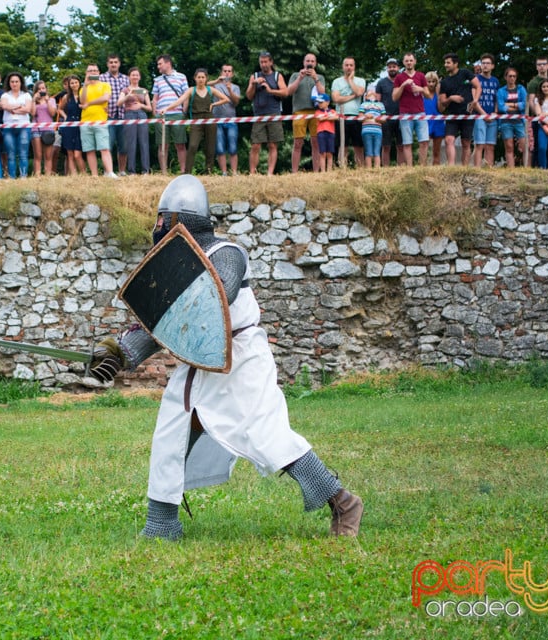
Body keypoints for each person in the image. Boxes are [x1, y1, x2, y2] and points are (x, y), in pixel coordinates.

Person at [89, 175, 364, 541]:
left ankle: (343, 502)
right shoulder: (173, 265)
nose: (157, 228)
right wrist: (120, 353)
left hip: (240, 359)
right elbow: (165, 319)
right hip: (198, 363)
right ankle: (162, 525)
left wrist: (149, 332)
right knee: (170, 434)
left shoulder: (227, 254)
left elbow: (209, 301)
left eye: (162, 219)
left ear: (180, 221)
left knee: (266, 436)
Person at [171, 68, 229, 175]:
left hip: (209, 118)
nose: (201, 79)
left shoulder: (210, 90)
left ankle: (209, 171)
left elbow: (226, 99)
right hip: (196, 120)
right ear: (195, 78)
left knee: (210, 147)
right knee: (193, 145)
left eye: (203, 77)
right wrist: (167, 109)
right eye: (199, 77)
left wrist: (214, 104)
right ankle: (187, 172)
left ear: (206, 78)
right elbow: (179, 101)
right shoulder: (191, 90)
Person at [246, 51, 288, 175]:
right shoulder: (254, 76)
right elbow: (249, 96)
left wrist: (270, 90)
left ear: (271, 62)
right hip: (258, 114)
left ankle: (270, 173)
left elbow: (285, 93)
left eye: (265, 62)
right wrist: (253, 84)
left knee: (272, 145)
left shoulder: (277, 76)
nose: (263, 64)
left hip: (274, 113)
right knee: (255, 145)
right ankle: (252, 173)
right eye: (261, 62)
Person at [438, 53, 481, 166]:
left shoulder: (465, 73)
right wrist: (451, 98)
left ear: (455, 64)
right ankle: (451, 167)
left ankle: (464, 168)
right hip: (452, 115)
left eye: (448, 62)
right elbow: (443, 101)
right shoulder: (444, 82)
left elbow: (478, 86)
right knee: (449, 140)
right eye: (445, 62)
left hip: (467, 113)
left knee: (466, 143)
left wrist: (475, 100)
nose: (445, 65)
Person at [287, 53, 326, 172]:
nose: (310, 63)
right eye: (308, 61)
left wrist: (316, 78)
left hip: (316, 112)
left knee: (316, 143)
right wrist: (300, 78)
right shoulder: (295, 75)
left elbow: (323, 93)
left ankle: (315, 172)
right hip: (299, 111)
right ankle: (294, 172)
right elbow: (289, 91)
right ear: (304, 62)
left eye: (312, 61)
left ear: (316, 63)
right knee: (298, 142)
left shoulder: (320, 77)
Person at [152, 54, 190, 174]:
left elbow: (186, 95)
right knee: (163, 145)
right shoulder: (157, 80)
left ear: (168, 63)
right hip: (161, 115)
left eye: (160, 64)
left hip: (177, 114)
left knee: (180, 144)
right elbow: (155, 98)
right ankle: (164, 172)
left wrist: (183, 110)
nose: (158, 66)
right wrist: (155, 113)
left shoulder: (181, 77)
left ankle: (183, 171)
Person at [392, 53, 431, 166]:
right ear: (404, 63)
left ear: (415, 62)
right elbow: (394, 97)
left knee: (424, 141)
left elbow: (429, 95)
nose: (409, 62)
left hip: (420, 112)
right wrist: (403, 85)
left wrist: (421, 89)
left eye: (411, 60)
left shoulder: (421, 76)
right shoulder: (399, 77)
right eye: (406, 61)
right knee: (407, 143)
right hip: (405, 113)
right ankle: (409, 168)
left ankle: (422, 166)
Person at [80, 63, 116, 178]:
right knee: (89, 150)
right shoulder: (83, 88)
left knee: (104, 148)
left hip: (100, 121)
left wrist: (89, 103)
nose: (93, 72)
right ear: (86, 73)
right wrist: (85, 85)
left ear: (99, 72)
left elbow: (105, 98)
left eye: (95, 70)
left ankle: (109, 172)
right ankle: (94, 175)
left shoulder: (105, 85)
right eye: (90, 71)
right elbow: (82, 101)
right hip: (85, 121)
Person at [330, 57, 366, 168]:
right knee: (342, 145)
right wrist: (352, 96)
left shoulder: (360, 80)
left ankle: (361, 168)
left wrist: (350, 80)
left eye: (351, 65)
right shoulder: (336, 81)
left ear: (354, 67)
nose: (349, 67)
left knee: (358, 145)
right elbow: (336, 99)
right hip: (341, 116)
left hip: (356, 116)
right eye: (346, 65)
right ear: (343, 66)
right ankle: (342, 168)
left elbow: (359, 92)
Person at [117, 67, 152, 175]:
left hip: (141, 115)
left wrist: (141, 105)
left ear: (139, 77)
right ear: (129, 77)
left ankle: (145, 170)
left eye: (137, 75)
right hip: (129, 115)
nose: (135, 77)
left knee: (144, 143)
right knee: (131, 143)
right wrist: (128, 95)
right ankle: (131, 171)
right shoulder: (125, 90)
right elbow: (119, 103)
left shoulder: (144, 90)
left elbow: (150, 108)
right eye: (133, 75)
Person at [208, 64, 241, 175]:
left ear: (233, 74)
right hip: (217, 121)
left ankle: (234, 173)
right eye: (225, 71)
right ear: (221, 72)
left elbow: (236, 102)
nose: (227, 73)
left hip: (231, 121)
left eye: (229, 71)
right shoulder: (215, 86)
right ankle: (224, 173)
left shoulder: (235, 87)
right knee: (220, 148)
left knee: (233, 148)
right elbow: (202, 85)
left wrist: (229, 90)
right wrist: (217, 80)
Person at [100, 54, 130, 174]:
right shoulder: (101, 78)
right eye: (111, 62)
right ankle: (108, 171)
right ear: (107, 64)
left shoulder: (126, 79)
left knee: (124, 146)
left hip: (123, 115)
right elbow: (97, 94)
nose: (113, 64)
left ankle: (122, 171)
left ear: (119, 64)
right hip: (108, 116)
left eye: (115, 62)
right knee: (108, 145)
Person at [0, 71, 32, 179]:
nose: (14, 84)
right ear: (9, 83)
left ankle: (23, 177)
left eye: (16, 81)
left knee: (23, 154)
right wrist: (19, 107)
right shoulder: (4, 95)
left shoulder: (27, 95)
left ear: (20, 82)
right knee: (11, 155)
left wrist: (12, 109)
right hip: (8, 127)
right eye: (12, 81)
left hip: (24, 126)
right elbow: (4, 106)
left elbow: (28, 109)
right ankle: (12, 178)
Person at [497, 68, 528, 168]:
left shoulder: (521, 89)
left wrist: (510, 104)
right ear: (506, 77)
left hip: (519, 121)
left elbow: (524, 104)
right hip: (506, 122)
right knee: (509, 147)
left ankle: (526, 167)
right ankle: (511, 169)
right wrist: (516, 105)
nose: (512, 78)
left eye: (514, 76)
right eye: (510, 76)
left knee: (524, 146)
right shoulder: (501, 91)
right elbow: (501, 106)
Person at [473, 54, 500, 167]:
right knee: (480, 145)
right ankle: (477, 169)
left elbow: (497, 100)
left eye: (487, 63)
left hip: (492, 117)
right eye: (483, 63)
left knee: (490, 145)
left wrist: (495, 112)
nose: (485, 65)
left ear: (492, 66)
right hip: (479, 116)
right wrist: (484, 115)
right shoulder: (476, 79)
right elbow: (474, 100)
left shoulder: (495, 81)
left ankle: (489, 169)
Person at [375, 58, 403, 167]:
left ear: (398, 68)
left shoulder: (402, 81)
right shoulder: (381, 83)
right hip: (385, 118)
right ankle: (385, 169)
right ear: (387, 68)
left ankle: (401, 168)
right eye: (390, 66)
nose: (392, 68)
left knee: (401, 145)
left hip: (401, 116)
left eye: (394, 66)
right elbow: (378, 101)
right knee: (386, 146)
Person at [58, 75, 86, 175]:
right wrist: (65, 117)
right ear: (69, 85)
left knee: (77, 154)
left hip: (80, 125)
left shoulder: (83, 95)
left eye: (76, 82)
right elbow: (60, 109)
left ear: (79, 83)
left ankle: (84, 174)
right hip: (69, 126)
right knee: (69, 153)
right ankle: (74, 176)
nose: (74, 85)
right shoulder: (66, 97)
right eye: (72, 83)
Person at [30, 80, 57, 176]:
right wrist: (33, 100)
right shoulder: (34, 101)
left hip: (48, 129)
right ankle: (37, 175)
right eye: (39, 89)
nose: (41, 90)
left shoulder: (52, 100)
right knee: (38, 155)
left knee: (48, 155)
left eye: (43, 88)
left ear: (46, 89)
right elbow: (32, 113)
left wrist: (47, 101)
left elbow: (52, 113)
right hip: (36, 129)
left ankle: (47, 175)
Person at [359, 89, 385, 170]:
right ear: (366, 96)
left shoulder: (381, 105)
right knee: (368, 152)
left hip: (378, 131)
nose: (372, 93)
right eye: (369, 92)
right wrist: (365, 116)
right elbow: (360, 118)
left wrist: (379, 119)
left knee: (377, 152)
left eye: (373, 91)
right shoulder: (363, 105)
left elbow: (384, 118)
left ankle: (377, 170)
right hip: (366, 130)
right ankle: (369, 170)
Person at [424, 71, 445, 165]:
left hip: (438, 123)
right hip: (425, 122)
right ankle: (422, 170)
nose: (431, 84)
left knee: (436, 151)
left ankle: (436, 170)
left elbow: (441, 109)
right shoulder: (422, 94)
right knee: (424, 149)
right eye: (429, 81)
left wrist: (438, 94)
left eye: (433, 81)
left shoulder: (439, 94)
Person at [315, 96, 338, 172]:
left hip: (330, 133)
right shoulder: (317, 112)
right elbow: (319, 118)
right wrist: (328, 116)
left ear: (327, 102)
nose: (319, 104)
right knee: (322, 153)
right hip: (321, 132)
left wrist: (325, 117)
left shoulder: (333, 111)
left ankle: (329, 171)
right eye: (318, 102)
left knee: (330, 153)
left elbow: (336, 117)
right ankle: (323, 171)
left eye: (321, 102)